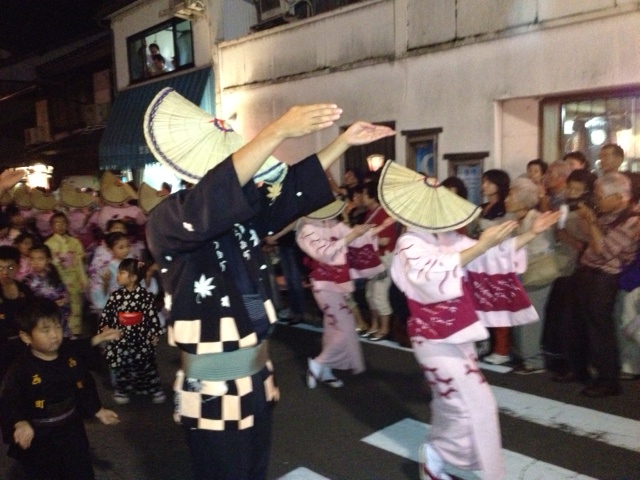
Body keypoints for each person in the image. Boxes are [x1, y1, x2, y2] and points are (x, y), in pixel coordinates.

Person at [145, 101, 394, 480]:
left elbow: (290, 190)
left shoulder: (244, 217)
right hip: (212, 385)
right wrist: (275, 132)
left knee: (254, 471)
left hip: (256, 373)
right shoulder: (168, 219)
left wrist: (342, 143)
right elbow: (209, 203)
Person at [381, 161, 560, 480]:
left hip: (459, 330)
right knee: (473, 403)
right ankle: (440, 455)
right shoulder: (409, 243)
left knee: (452, 403)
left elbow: (489, 255)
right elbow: (429, 276)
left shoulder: (447, 237)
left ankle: (435, 458)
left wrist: (530, 234)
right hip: (433, 336)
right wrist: (481, 246)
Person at [0, 298, 120, 480]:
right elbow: (10, 401)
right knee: (46, 473)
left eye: (57, 327)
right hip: (40, 434)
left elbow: (83, 380)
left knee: (80, 469)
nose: (54, 335)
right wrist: (20, 422)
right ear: (26, 337)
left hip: (71, 427)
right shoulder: (21, 370)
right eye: (45, 330)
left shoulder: (67, 354)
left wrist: (97, 409)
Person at [296, 200, 392, 388]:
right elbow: (325, 252)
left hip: (336, 282)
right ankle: (319, 363)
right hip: (324, 284)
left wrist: (379, 228)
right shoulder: (306, 230)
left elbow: (355, 239)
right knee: (346, 328)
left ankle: (326, 370)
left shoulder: (331, 223)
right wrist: (352, 235)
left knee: (333, 327)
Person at [561, 172, 640, 397]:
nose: (596, 200)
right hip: (586, 272)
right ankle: (579, 370)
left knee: (599, 330)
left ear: (620, 197)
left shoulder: (633, 220)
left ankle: (607, 381)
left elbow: (603, 250)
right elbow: (586, 239)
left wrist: (592, 222)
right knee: (577, 325)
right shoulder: (608, 214)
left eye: (600, 196)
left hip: (604, 278)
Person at [99, 258, 166, 405]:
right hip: (122, 336)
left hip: (141, 335)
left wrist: (154, 333)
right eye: (118, 272)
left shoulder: (144, 296)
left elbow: (151, 316)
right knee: (123, 365)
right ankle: (122, 390)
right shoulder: (116, 296)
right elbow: (108, 313)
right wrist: (106, 329)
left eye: (122, 273)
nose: (117, 276)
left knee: (146, 364)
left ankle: (154, 389)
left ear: (133, 277)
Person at [358, 180, 397, 341]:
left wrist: (366, 239)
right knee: (369, 294)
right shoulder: (370, 213)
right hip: (373, 259)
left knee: (379, 294)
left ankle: (385, 328)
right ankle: (374, 325)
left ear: (373, 196)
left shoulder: (384, 214)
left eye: (364, 194)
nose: (361, 197)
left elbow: (386, 240)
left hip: (384, 258)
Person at [45, 212, 88, 337]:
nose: (60, 226)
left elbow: (80, 263)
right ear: (51, 226)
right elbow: (48, 265)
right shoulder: (48, 244)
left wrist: (84, 280)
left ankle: (76, 335)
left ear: (68, 225)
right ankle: (61, 335)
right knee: (60, 310)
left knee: (76, 308)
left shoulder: (75, 242)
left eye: (63, 223)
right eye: (57, 223)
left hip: (75, 280)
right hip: (58, 281)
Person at [23, 244, 72, 338]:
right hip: (38, 321)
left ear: (48, 260)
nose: (36, 262)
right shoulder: (26, 281)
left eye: (40, 259)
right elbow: (27, 305)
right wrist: (52, 304)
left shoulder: (54, 277)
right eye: (32, 259)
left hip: (57, 318)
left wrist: (62, 303)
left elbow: (64, 299)